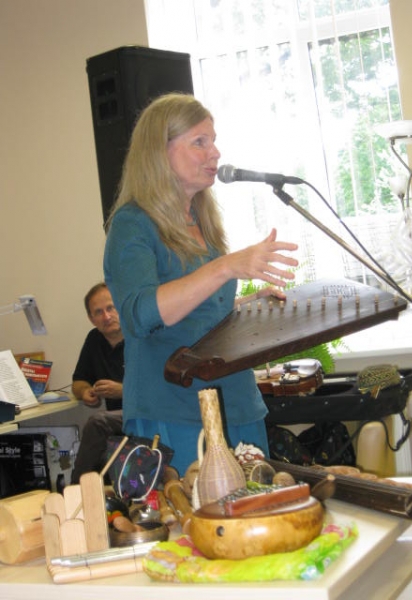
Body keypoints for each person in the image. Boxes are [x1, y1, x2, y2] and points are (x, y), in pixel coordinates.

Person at [104, 92, 298, 477]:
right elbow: (140, 315)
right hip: (174, 410)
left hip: (237, 403)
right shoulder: (132, 224)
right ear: (160, 152)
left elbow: (199, 314)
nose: (215, 153)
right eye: (200, 142)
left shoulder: (203, 220)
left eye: (213, 141)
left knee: (257, 507)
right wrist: (225, 267)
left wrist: (250, 305)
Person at [71, 282, 124, 483]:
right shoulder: (94, 339)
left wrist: (123, 391)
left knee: (97, 423)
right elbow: (78, 381)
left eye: (111, 308)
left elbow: (160, 388)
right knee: (101, 455)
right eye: (99, 312)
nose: (107, 316)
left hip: (144, 413)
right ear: (91, 318)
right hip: (117, 423)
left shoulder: (140, 337)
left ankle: (74, 490)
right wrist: (85, 392)